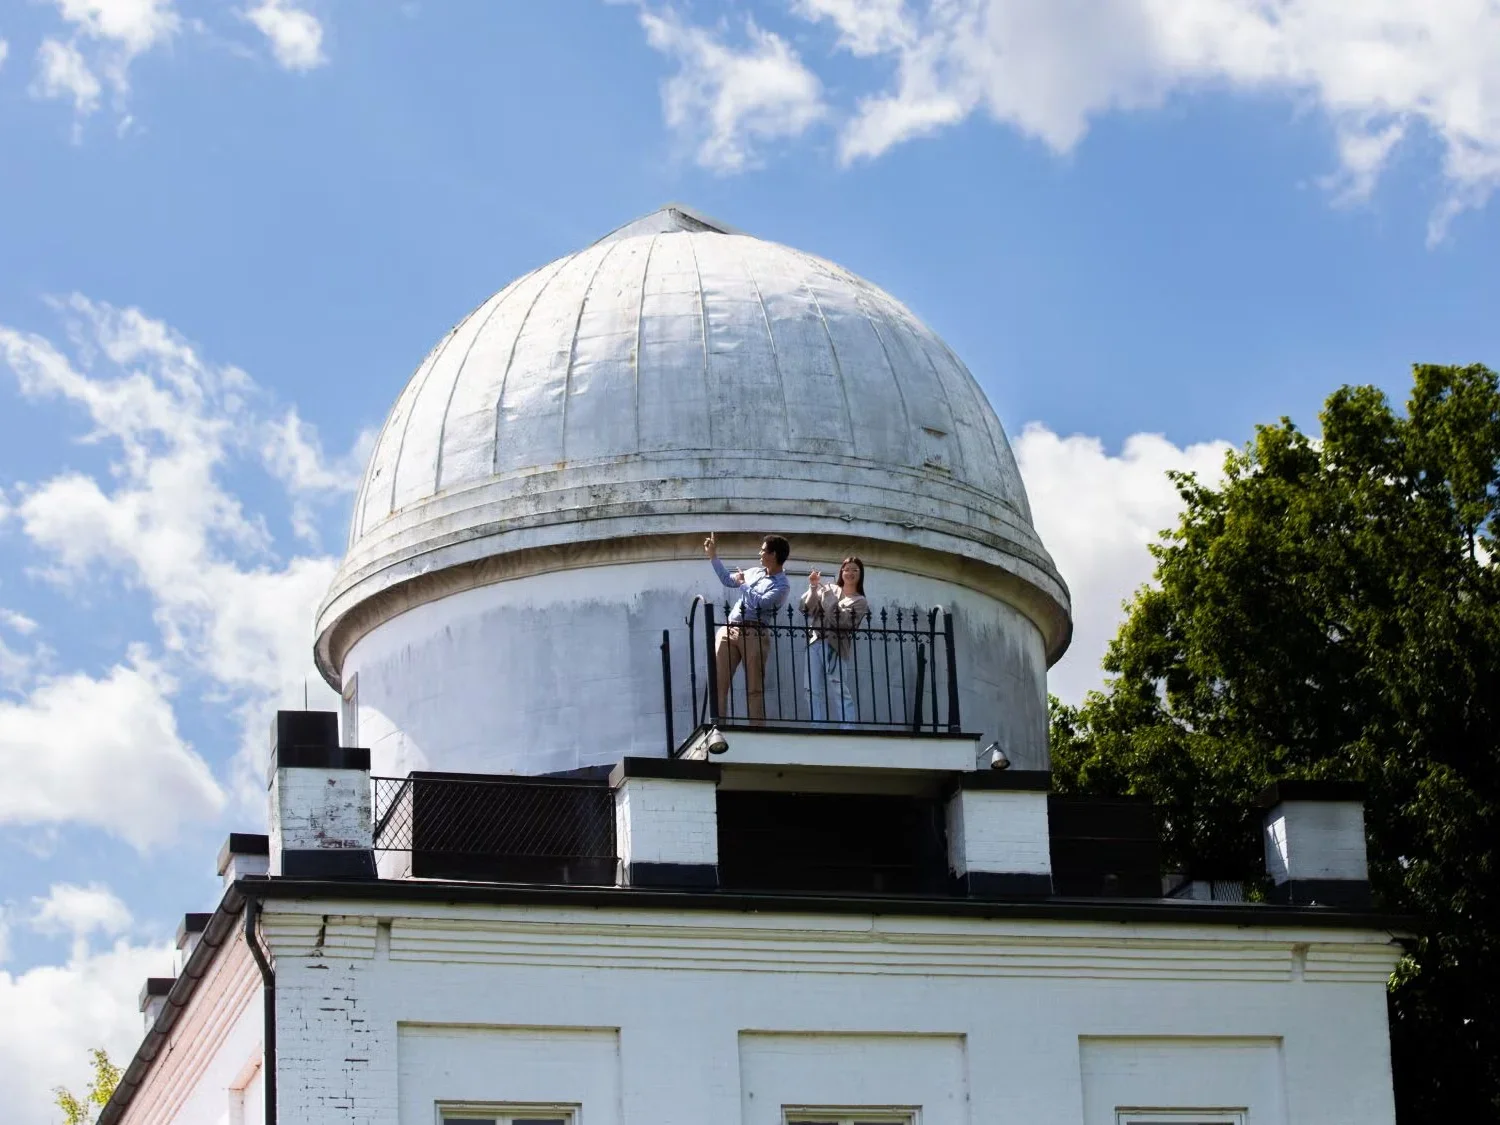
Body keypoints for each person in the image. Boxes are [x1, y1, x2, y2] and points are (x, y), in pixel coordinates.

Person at [705, 532, 791, 722]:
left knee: (754, 687)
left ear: (774, 554)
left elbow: (761, 603)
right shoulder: (754, 572)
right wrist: (713, 556)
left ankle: (757, 730)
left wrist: (744, 585)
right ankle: (718, 727)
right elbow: (728, 580)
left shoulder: (782, 585)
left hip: (754, 633)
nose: (759, 553)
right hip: (730, 628)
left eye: (763, 550)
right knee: (719, 683)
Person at [800, 557, 870, 725]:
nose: (850, 573)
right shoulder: (831, 588)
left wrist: (828, 598)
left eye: (855, 570)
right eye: (846, 569)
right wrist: (813, 586)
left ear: (860, 574)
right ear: (841, 572)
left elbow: (842, 621)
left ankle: (847, 726)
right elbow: (806, 608)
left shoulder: (860, 601)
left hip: (835, 646)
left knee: (839, 687)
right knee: (811, 688)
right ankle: (817, 725)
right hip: (815, 641)